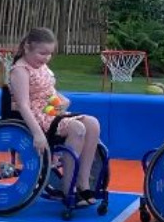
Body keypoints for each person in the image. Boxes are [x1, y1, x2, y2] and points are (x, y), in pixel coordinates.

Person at [8, 27, 103, 196]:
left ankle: (84, 181)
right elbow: (23, 105)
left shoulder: (41, 66)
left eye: (49, 54)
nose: (46, 58)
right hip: (37, 117)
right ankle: (68, 187)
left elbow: (48, 92)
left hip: (51, 111)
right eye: (42, 53)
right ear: (27, 47)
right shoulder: (20, 70)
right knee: (78, 129)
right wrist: (38, 134)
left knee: (93, 123)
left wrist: (62, 102)